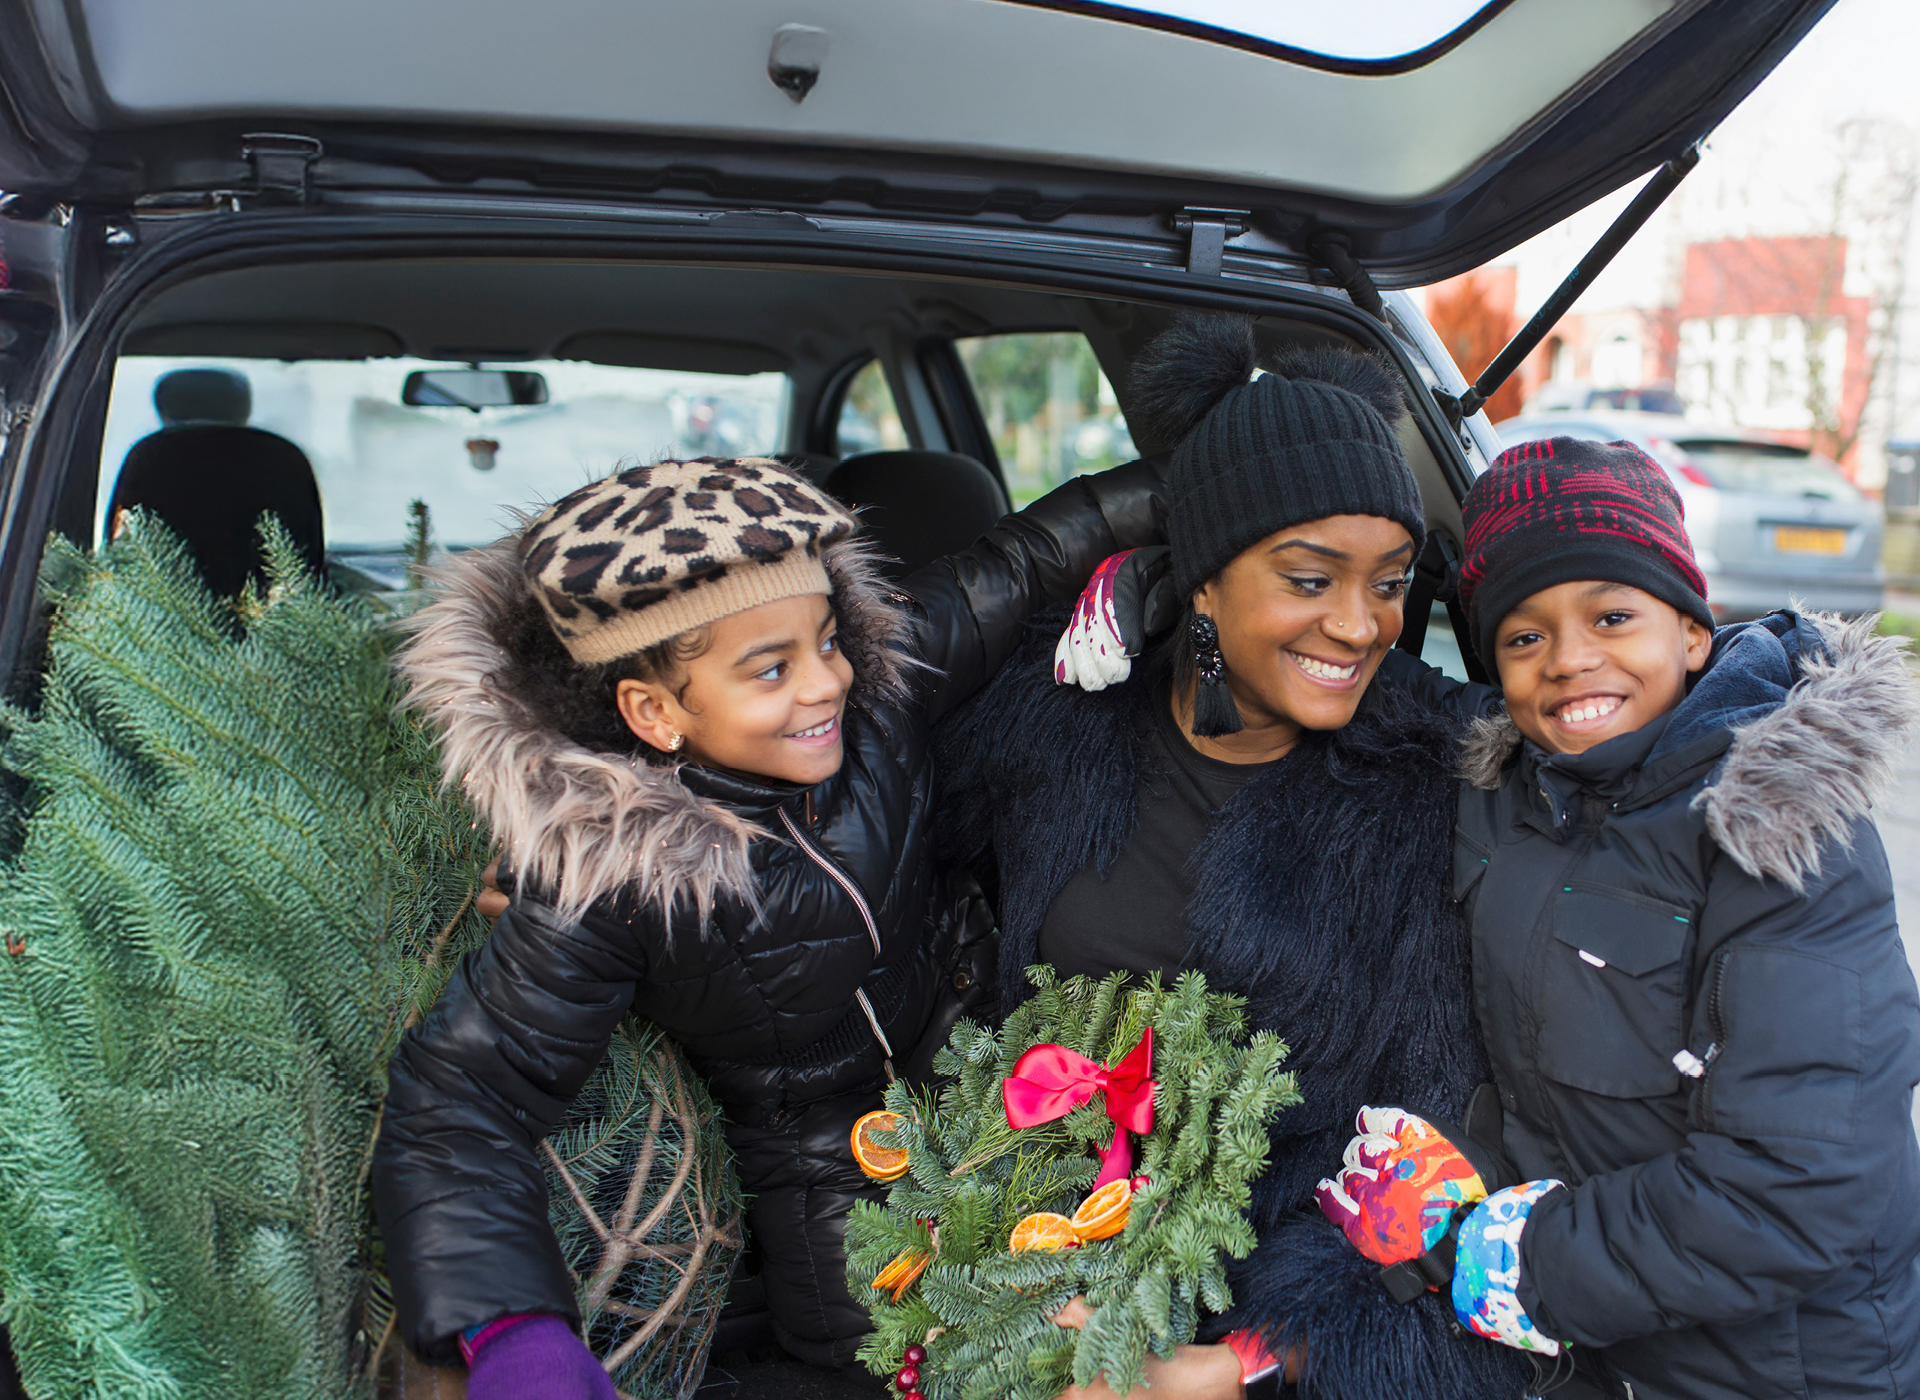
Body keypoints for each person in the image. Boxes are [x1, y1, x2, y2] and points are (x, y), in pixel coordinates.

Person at [372, 452, 1164, 1392]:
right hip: (832, 1188)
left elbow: (1026, 560)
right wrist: (509, 1327)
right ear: (656, 712)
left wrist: (1195, 477)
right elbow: (461, 1100)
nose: (826, 683)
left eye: (826, 640)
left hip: (1000, 1068)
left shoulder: (878, 686)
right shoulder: (615, 874)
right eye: (769, 669)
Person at [935, 314, 1532, 1400]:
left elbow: (1445, 1172)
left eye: (1392, 581)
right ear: (1200, 580)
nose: (1362, 627)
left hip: (1266, 1328)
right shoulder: (1048, 720)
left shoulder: (1428, 787)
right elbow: (847, 776)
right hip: (1010, 1256)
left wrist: (1236, 1366)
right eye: (1310, 579)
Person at [1319, 438, 1920, 1398]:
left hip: (1777, 1372)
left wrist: (1518, 1263)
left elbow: (1798, 1191)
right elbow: (1347, 663)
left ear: (1691, 630)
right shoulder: (1511, 789)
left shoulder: (1782, 833)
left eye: (1611, 615)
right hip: (1593, 1357)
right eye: (1524, 636)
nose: (1569, 661)